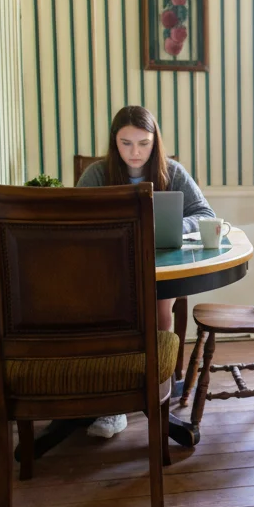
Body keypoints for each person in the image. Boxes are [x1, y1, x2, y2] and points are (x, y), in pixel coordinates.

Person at [77, 105, 216, 439]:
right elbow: (74, 218)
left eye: (143, 143)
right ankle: (114, 403)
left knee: (159, 315)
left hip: (160, 268)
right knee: (110, 317)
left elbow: (205, 213)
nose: (135, 152)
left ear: (156, 141)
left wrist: (169, 223)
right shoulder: (97, 174)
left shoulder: (172, 171)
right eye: (126, 143)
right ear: (114, 143)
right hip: (107, 269)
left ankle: (157, 393)